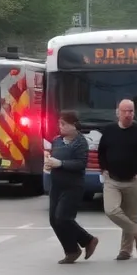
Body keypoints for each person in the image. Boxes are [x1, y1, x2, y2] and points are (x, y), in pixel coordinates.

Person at [96, 98, 137, 260]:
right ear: (117, 113)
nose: (128, 114)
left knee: (132, 215)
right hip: (112, 179)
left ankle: (125, 251)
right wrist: (104, 169)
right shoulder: (109, 131)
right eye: (124, 111)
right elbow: (101, 152)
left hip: (134, 180)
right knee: (111, 210)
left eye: (131, 111)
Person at [45, 111, 98, 264]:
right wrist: (49, 163)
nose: (60, 127)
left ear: (73, 125)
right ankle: (71, 250)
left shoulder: (80, 142)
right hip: (57, 185)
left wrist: (60, 164)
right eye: (59, 124)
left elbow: (80, 163)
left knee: (63, 218)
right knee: (54, 220)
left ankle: (88, 240)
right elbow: (53, 157)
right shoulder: (57, 141)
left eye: (64, 124)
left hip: (72, 186)